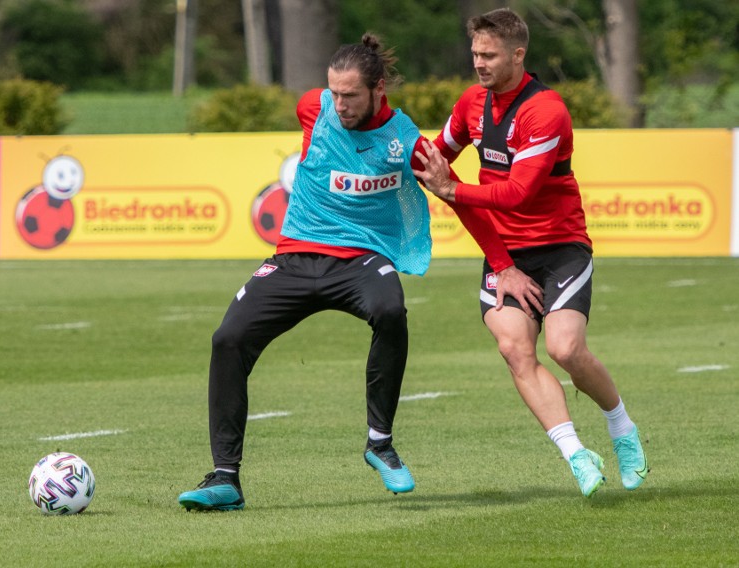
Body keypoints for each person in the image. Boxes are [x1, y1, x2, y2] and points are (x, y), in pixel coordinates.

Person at [178, 33, 524, 511]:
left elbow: (454, 195)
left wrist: (503, 265)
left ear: (378, 88)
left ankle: (379, 443)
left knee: (390, 309)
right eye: (333, 93)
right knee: (226, 339)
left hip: (362, 258)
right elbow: (320, 108)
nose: (338, 105)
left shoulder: (406, 143)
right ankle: (225, 478)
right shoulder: (311, 109)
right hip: (295, 256)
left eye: (350, 95)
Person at [412, 8, 649, 497]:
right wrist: (388, 152)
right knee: (514, 348)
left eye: (489, 55)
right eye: (475, 53)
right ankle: (577, 455)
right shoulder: (471, 104)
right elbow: (436, 157)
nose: (478, 63)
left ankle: (622, 428)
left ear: (518, 55)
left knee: (565, 349)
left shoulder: (546, 111)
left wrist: (452, 191)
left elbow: (519, 192)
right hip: (506, 254)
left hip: (561, 246)